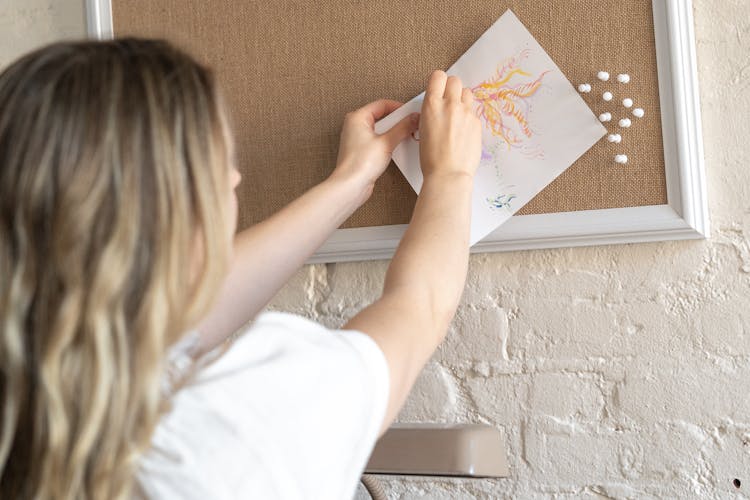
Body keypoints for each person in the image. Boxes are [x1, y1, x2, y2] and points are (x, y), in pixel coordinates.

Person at [0, 38, 480, 499]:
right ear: (170, 210)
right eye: (219, 163)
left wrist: (350, 183)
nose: (236, 176)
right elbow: (420, 306)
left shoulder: (43, 395)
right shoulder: (234, 429)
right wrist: (451, 175)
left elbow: (186, 309)